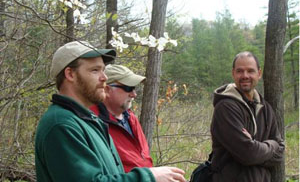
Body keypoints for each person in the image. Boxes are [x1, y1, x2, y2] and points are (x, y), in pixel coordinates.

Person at [35, 41, 186, 182]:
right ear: (70, 74)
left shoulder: (87, 119)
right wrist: (149, 176)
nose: (104, 77)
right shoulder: (61, 125)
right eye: (95, 70)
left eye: (103, 70)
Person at [210, 51, 284, 182]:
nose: (245, 76)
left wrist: (257, 148)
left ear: (259, 73)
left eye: (250, 71)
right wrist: (272, 145)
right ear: (233, 73)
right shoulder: (226, 108)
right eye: (240, 71)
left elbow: (280, 153)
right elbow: (248, 154)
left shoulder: (265, 108)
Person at [90, 64, 153, 172]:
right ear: (107, 90)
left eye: (134, 88)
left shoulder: (130, 117)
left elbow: (143, 159)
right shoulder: (92, 122)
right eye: (128, 88)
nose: (134, 94)